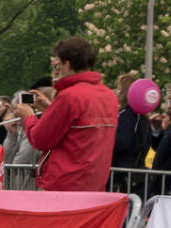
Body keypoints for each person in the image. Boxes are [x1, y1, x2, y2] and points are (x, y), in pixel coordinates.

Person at [12, 37, 117, 192]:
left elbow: (39, 139)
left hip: (64, 185)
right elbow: (77, 128)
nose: (57, 70)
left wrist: (28, 116)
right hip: (94, 184)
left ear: (67, 64)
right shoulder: (109, 96)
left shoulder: (69, 96)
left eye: (58, 65)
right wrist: (51, 110)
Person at [110, 73, 152, 171]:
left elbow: (120, 143)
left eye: (119, 88)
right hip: (135, 169)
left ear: (125, 92)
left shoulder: (126, 114)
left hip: (120, 169)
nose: (116, 91)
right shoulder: (143, 117)